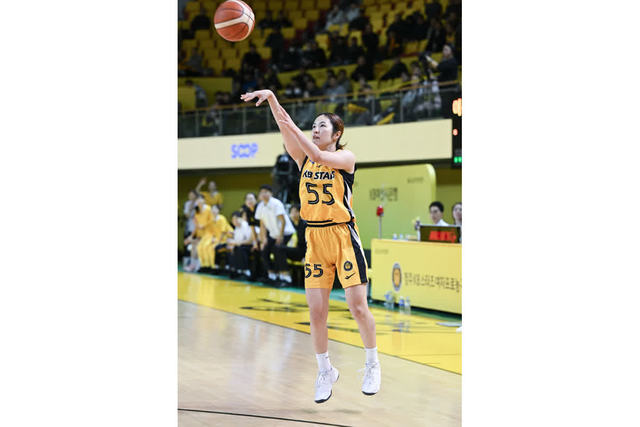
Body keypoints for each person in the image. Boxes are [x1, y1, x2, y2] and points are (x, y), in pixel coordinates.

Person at [240, 89, 381, 402]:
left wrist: (293, 126)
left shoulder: (345, 158)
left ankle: (372, 363)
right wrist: (273, 100)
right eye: (313, 126)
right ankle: (324, 370)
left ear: (337, 134)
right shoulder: (302, 158)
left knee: (358, 307)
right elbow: (286, 128)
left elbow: (317, 155)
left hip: (343, 236)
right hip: (315, 238)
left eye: (322, 126)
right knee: (316, 313)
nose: (315, 130)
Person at [254, 184, 295, 284]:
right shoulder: (260, 206)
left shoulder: (276, 203)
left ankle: (285, 277)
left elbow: (283, 221)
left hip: (286, 232)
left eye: (266, 192)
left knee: (278, 249)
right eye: (261, 192)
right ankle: (272, 275)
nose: (263, 194)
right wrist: (263, 239)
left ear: (271, 193)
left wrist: (281, 236)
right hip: (273, 234)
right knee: (264, 251)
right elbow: (262, 224)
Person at [274, 204, 307, 285]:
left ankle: (286, 276)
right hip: (292, 249)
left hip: (301, 251)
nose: (293, 214)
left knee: (279, 249)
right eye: (292, 212)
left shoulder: (304, 225)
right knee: (276, 248)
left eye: (296, 212)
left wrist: (306, 256)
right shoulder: (290, 224)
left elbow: (309, 243)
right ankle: (281, 275)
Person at [226, 211, 254, 279]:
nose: (235, 221)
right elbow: (237, 240)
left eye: (236, 219)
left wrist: (237, 243)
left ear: (240, 218)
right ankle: (235, 270)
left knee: (239, 248)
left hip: (249, 245)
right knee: (230, 248)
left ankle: (245, 270)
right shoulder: (236, 228)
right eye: (233, 220)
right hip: (241, 245)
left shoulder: (246, 225)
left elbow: (249, 240)